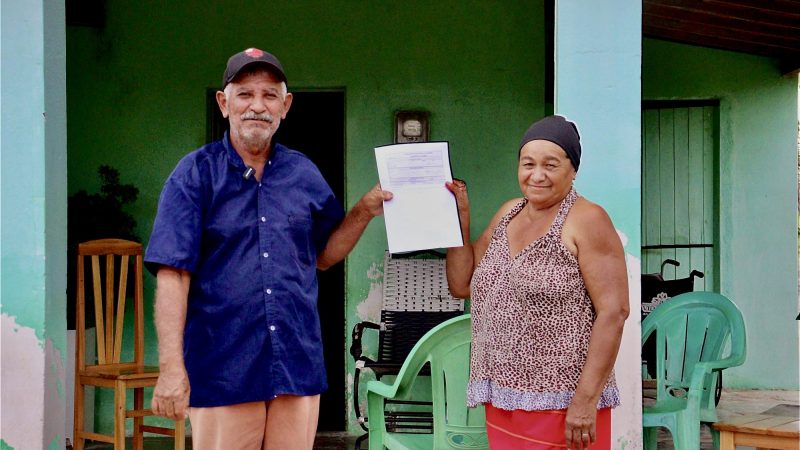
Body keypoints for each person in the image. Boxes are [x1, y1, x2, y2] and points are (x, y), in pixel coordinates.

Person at [144, 47, 391, 450]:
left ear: (285, 105)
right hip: (223, 366)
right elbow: (173, 275)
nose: (257, 106)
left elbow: (324, 256)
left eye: (269, 95)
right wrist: (172, 369)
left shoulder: (303, 173)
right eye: (245, 94)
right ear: (224, 103)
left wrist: (363, 211)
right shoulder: (194, 175)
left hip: (296, 361)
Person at [445, 115, 629, 450]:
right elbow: (462, 284)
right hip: (504, 397)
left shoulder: (587, 219)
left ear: (573, 170)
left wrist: (585, 401)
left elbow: (614, 312)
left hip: (564, 402)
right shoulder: (509, 213)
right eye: (528, 163)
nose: (537, 175)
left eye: (551, 164)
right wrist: (459, 216)